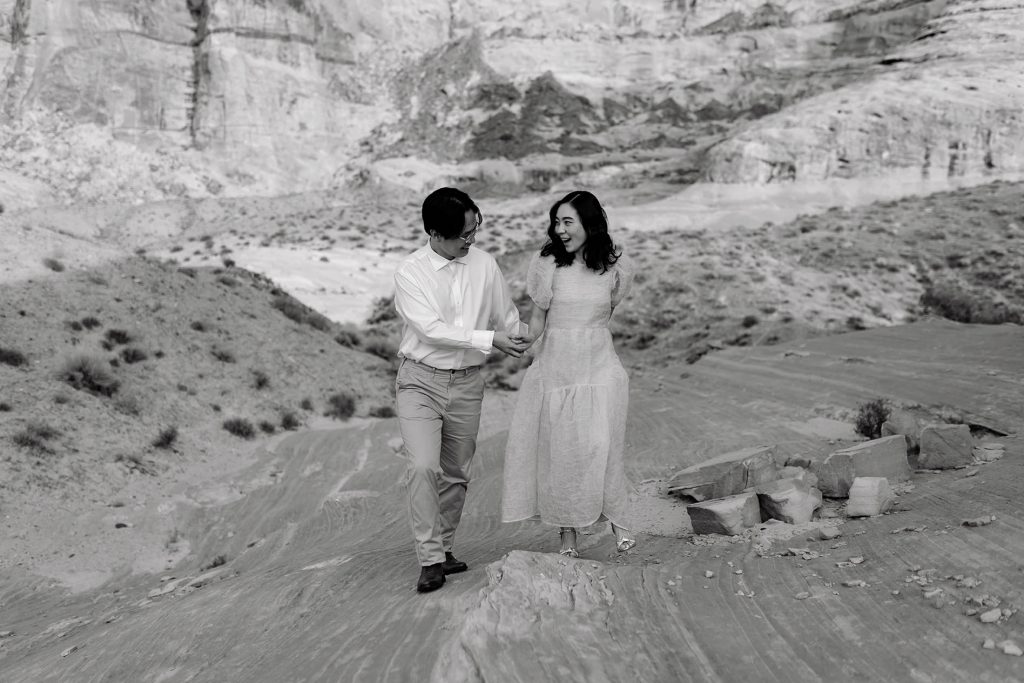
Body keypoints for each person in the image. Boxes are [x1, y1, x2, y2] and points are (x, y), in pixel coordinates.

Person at [393, 187, 529, 593]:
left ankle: (445, 548)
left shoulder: (485, 265)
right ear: (435, 233)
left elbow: (507, 317)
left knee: (456, 473)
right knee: (422, 466)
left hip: (468, 383)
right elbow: (431, 331)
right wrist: (490, 339)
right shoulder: (410, 272)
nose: (472, 241)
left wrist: (531, 333)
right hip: (419, 380)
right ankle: (430, 559)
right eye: (464, 235)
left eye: (476, 230)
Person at [501, 190, 637, 557]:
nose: (559, 230)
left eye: (567, 222)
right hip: (558, 369)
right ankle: (568, 538)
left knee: (603, 445)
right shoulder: (547, 265)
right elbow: (539, 317)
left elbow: (606, 312)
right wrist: (524, 343)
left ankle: (618, 522)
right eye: (556, 222)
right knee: (561, 453)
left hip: (600, 366)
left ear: (588, 224)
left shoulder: (614, 267)